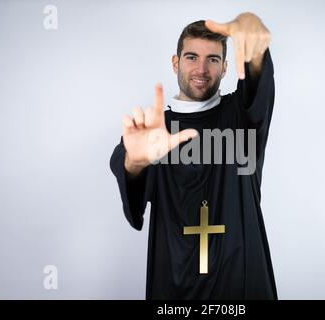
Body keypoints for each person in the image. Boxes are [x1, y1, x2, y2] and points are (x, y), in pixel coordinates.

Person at [110, 12, 277, 299]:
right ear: (176, 63)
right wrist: (135, 162)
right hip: (174, 293)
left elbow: (258, 81)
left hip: (243, 289)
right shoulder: (155, 132)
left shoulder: (242, 116)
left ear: (225, 68)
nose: (201, 68)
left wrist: (255, 43)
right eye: (191, 57)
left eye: (212, 59)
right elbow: (132, 195)